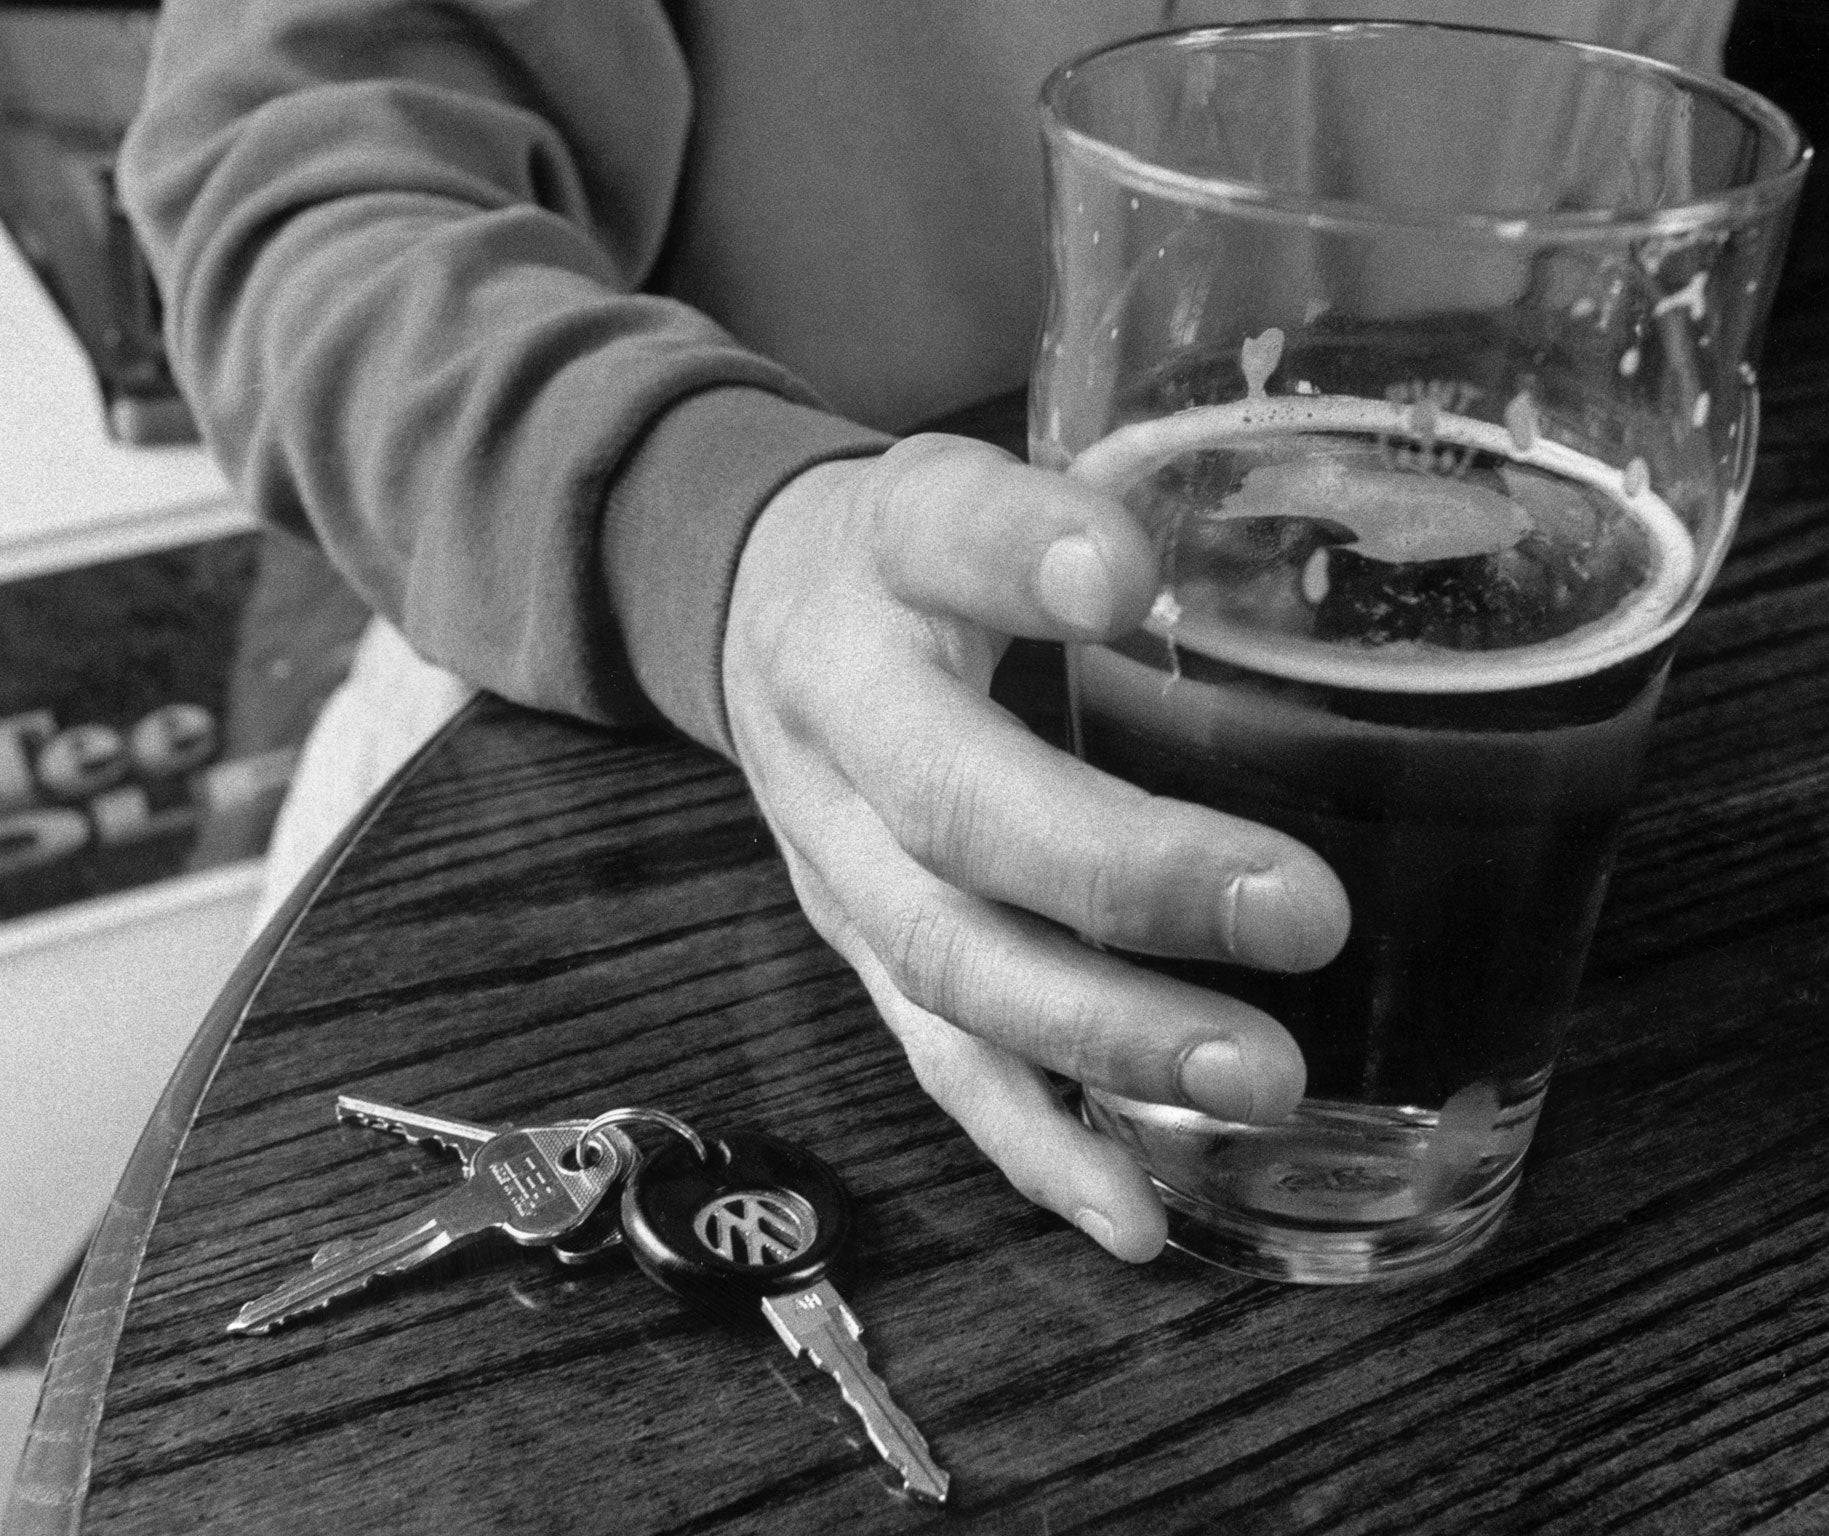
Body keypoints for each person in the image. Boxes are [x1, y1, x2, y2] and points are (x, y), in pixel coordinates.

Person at [120, 0, 1736, 1265]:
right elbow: (288, 181)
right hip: (596, 715)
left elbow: (1630, 296)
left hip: (1482, 872)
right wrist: (726, 536)